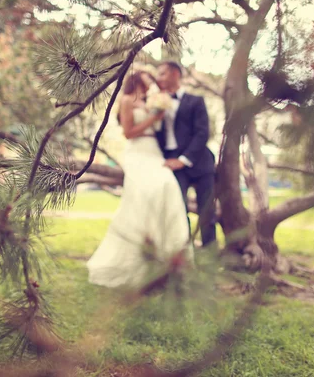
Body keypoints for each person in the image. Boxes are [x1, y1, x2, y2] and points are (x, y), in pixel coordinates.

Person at [87, 71, 193, 288]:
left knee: (168, 186)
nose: (152, 80)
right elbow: (128, 132)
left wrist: (159, 113)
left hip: (155, 151)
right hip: (137, 152)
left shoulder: (150, 102)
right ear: (137, 80)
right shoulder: (127, 100)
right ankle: (137, 257)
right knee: (145, 195)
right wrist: (154, 118)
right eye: (148, 77)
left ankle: (170, 257)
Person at [155, 61, 217, 247]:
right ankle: (185, 256)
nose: (159, 78)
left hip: (200, 163)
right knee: (179, 212)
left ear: (175, 74)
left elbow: (202, 133)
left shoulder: (196, 101)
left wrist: (183, 160)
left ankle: (210, 259)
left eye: (163, 73)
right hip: (172, 164)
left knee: (207, 213)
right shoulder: (156, 102)